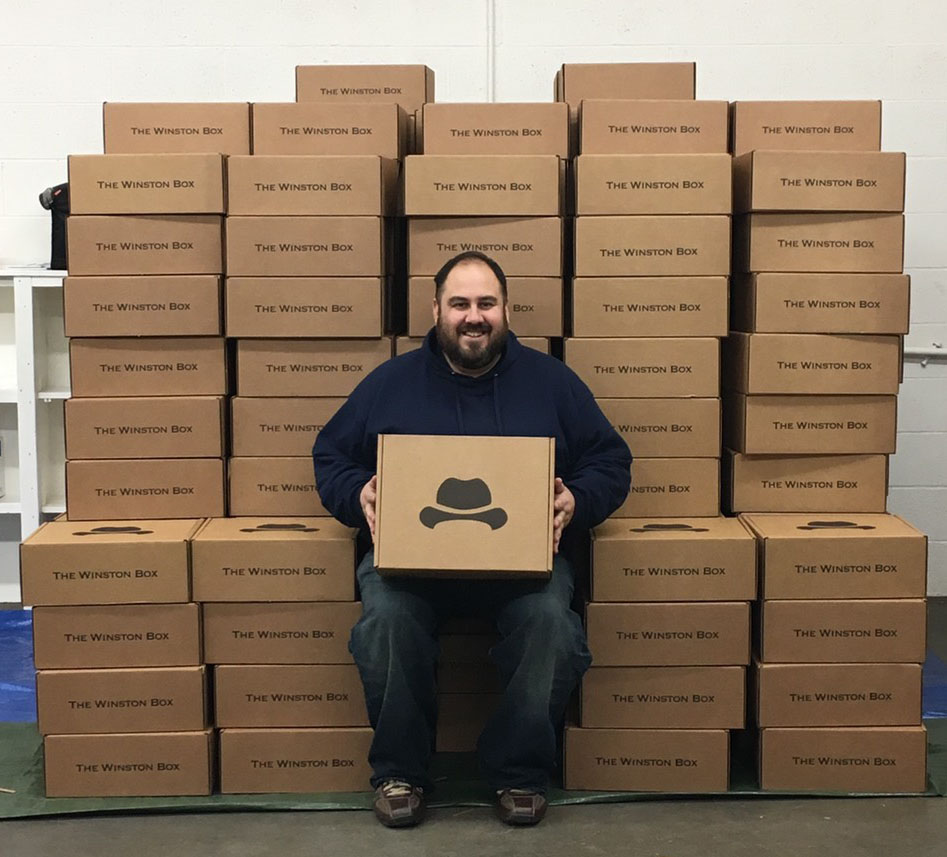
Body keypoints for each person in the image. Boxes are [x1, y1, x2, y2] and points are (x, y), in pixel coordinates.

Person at [313, 250, 631, 827]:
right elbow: (330, 457)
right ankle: (400, 772)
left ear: (507, 310)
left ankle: (518, 771)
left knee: (552, 627)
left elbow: (611, 460)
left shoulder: (552, 383)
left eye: (487, 303)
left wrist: (576, 500)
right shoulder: (389, 385)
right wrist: (358, 494)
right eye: (459, 303)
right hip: (410, 567)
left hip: (523, 566)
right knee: (386, 625)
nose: (473, 316)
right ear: (435, 310)